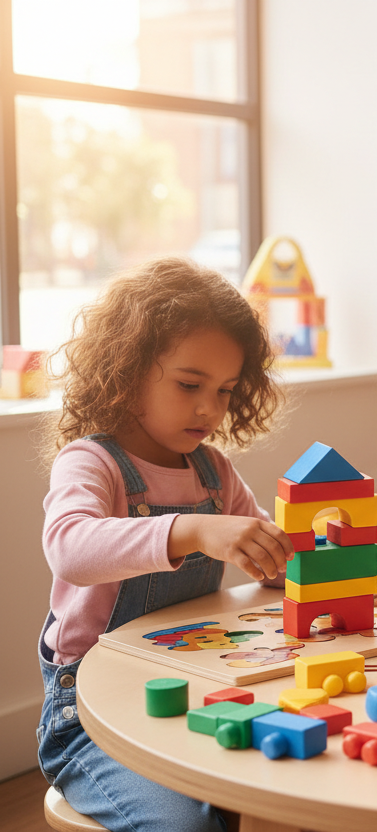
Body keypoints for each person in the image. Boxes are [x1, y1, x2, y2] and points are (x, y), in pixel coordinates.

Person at [38, 258, 291, 832]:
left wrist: (305, 556)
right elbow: (70, 548)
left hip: (197, 688)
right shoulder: (91, 462)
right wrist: (193, 530)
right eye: (189, 384)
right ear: (127, 371)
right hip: (92, 717)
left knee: (297, 778)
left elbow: (269, 560)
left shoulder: (213, 471)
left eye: (225, 390)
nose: (210, 408)